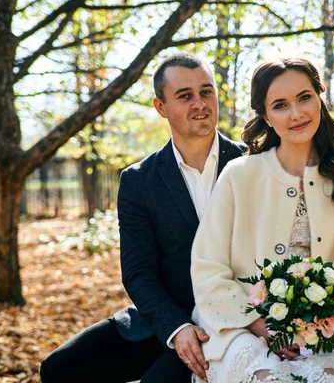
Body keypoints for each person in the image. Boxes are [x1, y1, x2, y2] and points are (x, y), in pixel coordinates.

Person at [39, 53, 246, 383]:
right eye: (185, 95)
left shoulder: (251, 164)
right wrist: (176, 328)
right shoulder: (139, 180)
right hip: (165, 320)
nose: (200, 103)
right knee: (59, 368)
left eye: (207, 92)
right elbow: (138, 271)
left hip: (236, 322)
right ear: (160, 107)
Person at [190, 58, 334, 382]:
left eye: (304, 97)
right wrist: (261, 326)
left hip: (327, 339)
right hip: (240, 329)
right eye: (280, 105)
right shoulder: (239, 176)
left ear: (319, 99)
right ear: (266, 116)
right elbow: (208, 267)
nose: (296, 114)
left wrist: (314, 333)